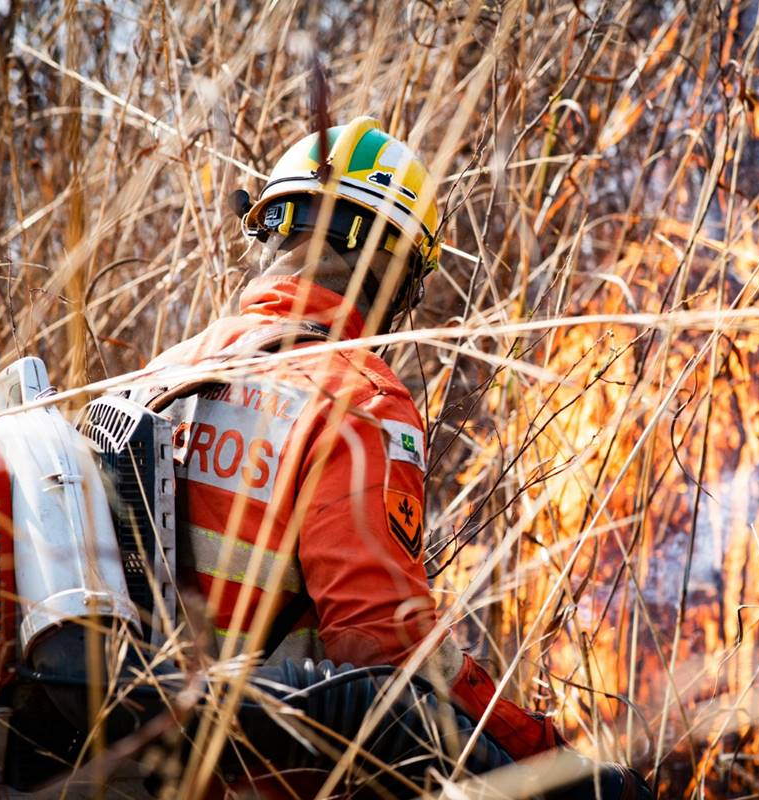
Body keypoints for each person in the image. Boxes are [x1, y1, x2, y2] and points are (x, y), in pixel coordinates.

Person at [141, 117, 571, 782]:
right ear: (393, 274)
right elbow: (384, 652)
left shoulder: (163, 371)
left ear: (270, 230)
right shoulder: (360, 401)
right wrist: (539, 751)